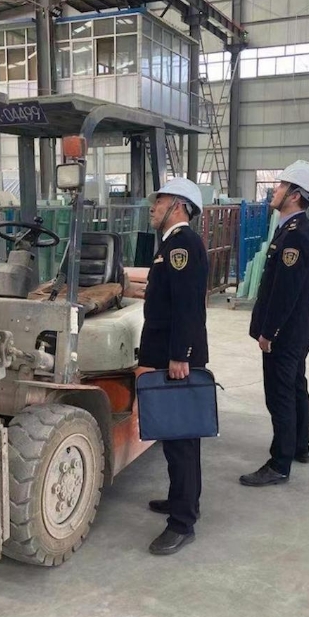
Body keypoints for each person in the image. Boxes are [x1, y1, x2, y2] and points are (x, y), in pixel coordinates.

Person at [135, 177, 209, 555]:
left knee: (181, 442)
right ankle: (181, 498)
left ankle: (183, 522)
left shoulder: (182, 245)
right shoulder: (170, 244)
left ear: (178, 206)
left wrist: (181, 354)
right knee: (174, 437)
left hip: (175, 359)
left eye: (160, 200)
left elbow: (187, 305)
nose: (153, 206)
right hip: (167, 356)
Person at [240, 160, 309, 487]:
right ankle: (300, 446)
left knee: (280, 395)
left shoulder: (295, 235)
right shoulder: (291, 228)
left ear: (295, 195)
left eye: (282, 185)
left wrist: (269, 332)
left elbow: (285, 292)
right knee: (296, 386)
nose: (275, 190)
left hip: (284, 334)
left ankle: (279, 463)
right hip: (296, 331)